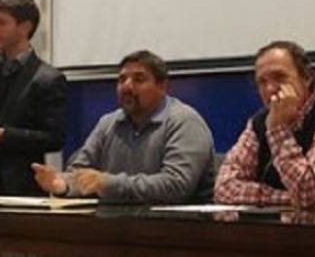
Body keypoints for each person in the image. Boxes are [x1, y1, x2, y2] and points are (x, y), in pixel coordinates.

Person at [32, 50, 214, 203]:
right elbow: (81, 172)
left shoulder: (184, 122)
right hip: (119, 225)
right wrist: (63, 185)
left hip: (177, 228)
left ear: (162, 86)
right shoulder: (108, 123)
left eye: (139, 80)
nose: (127, 87)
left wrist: (107, 184)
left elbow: (176, 186)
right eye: (122, 79)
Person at [214, 40, 315, 210]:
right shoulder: (259, 122)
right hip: (272, 225)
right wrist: (287, 198)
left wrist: (278, 131)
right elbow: (224, 189)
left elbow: (310, 195)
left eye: (279, 77)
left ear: (307, 77)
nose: (270, 89)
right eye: (262, 82)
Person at [0, 0, 67, 195]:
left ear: (25, 27)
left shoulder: (49, 79)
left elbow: (55, 138)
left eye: (0, 23)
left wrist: (6, 135)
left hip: (20, 188)